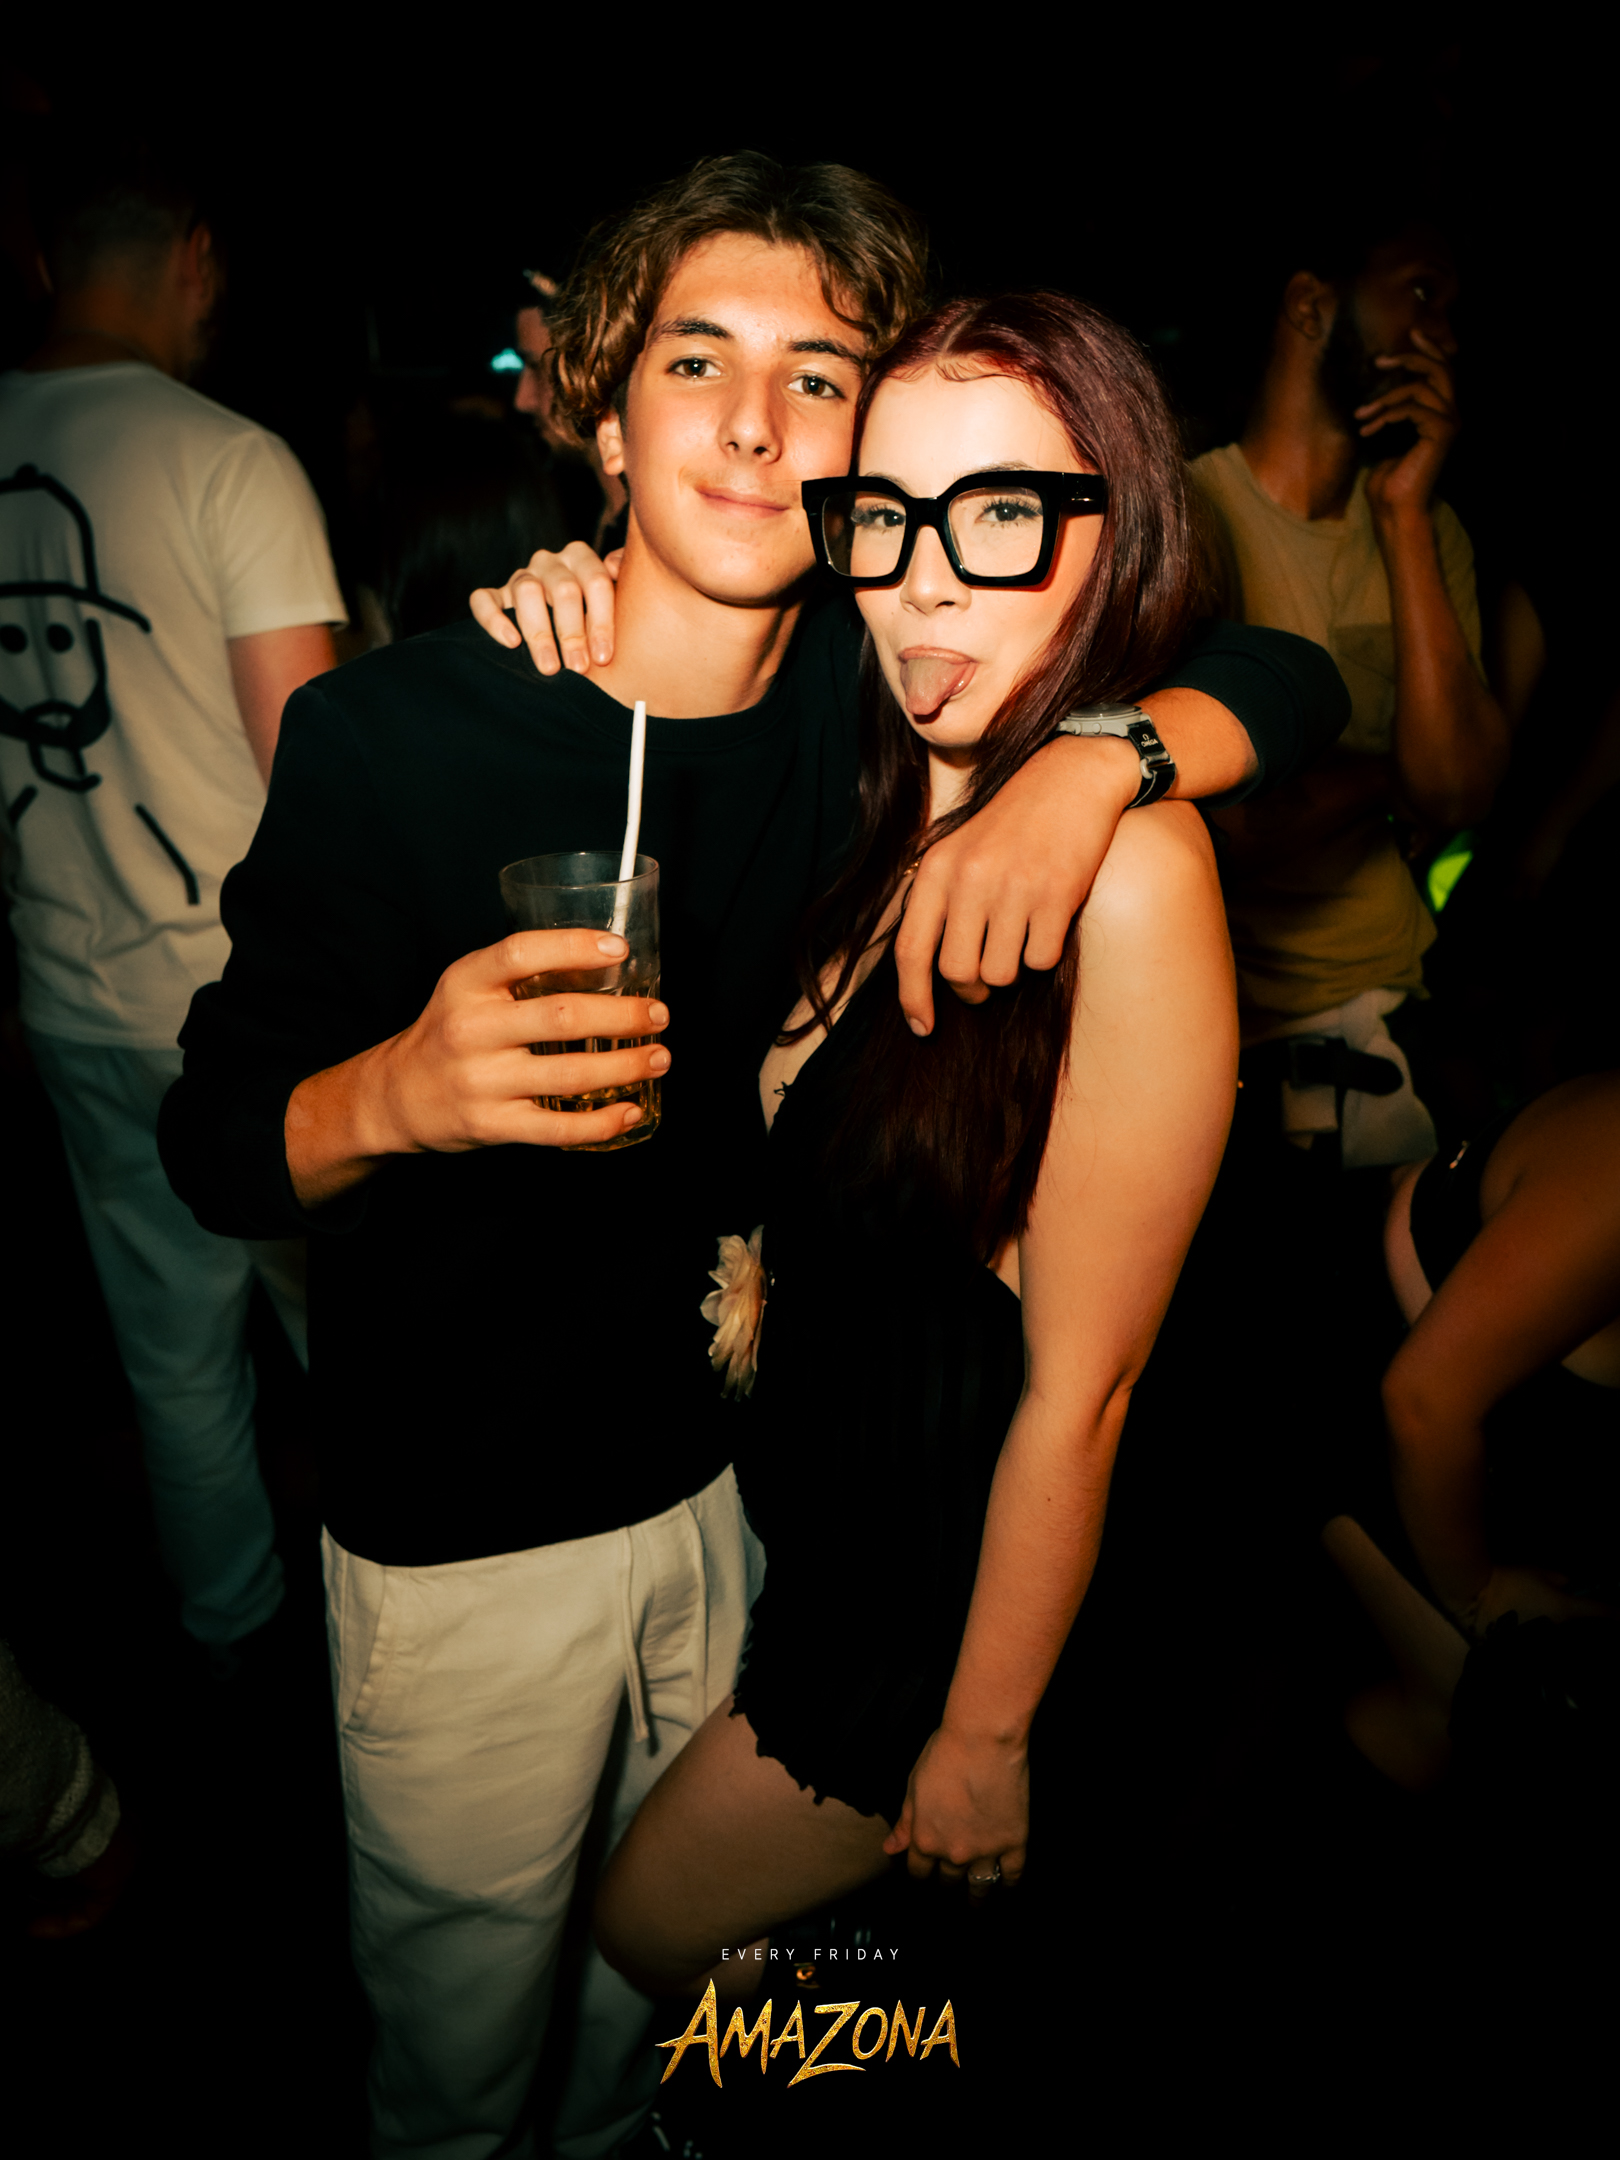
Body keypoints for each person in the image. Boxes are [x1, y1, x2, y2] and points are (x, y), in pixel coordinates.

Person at [160, 152, 1344, 2160]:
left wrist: (1103, 766)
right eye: (696, 362)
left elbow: (1278, 672)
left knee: (662, 2014)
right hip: (469, 1553)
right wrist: (396, 1094)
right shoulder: (405, 735)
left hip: (746, 1528)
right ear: (599, 415)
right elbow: (205, 1144)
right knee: (458, 2067)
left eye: (820, 383)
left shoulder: (871, 716)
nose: (751, 424)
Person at [589, 288, 1236, 1994]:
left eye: (1000, 514)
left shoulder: (1130, 878)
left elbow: (1086, 1388)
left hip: (936, 1627)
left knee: (650, 1933)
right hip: (824, 1577)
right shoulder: (889, 798)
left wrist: (988, 1731)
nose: (925, 579)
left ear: (1118, 534)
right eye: (886, 515)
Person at [0, 145, 343, 1661]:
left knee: (171, 1361)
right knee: (353, 1339)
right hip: (248, 1018)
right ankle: (387, 1638)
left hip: (71, 1000)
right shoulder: (227, 458)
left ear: (40, 259)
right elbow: (317, 782)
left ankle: (229, 1640)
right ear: (198, 255)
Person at [1190, 200, 1508, 1170]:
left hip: (1400, 1023)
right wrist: (1386, 776)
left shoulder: (1430, 528)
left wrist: (1404, 513)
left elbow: (1460, 793)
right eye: (1420, 292)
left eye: (1451, 307)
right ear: (1311, 305)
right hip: (1232, 1047)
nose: (1443, 333)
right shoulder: (1191, 516)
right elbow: (1230, 830)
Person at [1321, 1071, 1620, 1792]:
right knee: (1490, 1712)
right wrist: (1479, 1597)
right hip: (1337, 1373)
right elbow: (1421, 1403)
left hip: (1481, 1448)